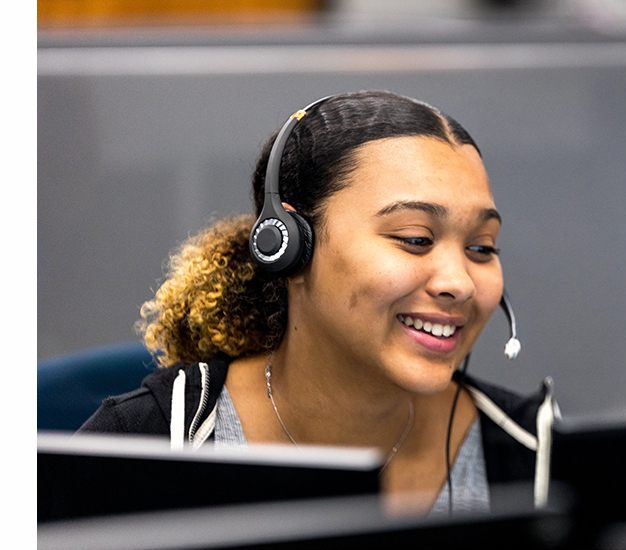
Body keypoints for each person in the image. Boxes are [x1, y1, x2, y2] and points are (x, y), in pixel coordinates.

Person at [78, 90, 556, 516]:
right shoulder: (145, 446)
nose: (460, 283)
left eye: (482, 248)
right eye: (414, 238)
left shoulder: (538, 455)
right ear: (288, 247)